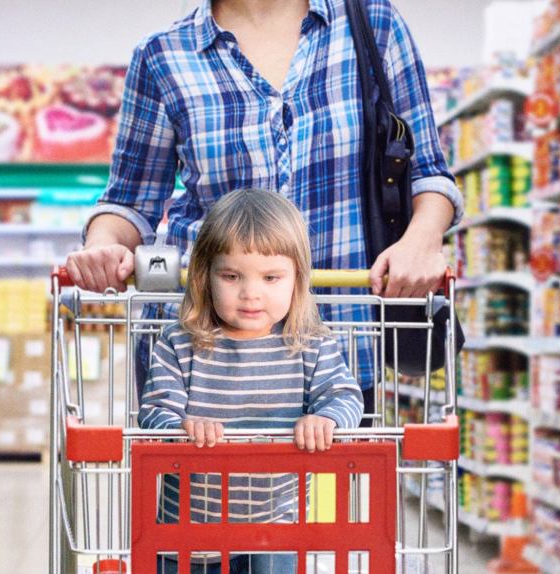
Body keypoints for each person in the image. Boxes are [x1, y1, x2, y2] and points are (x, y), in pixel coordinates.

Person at [68, 0, 462, 416]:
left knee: (329, 480)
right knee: (196, 483)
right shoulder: (164, 56)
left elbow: (429, 173)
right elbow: (129, 202)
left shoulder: (372, 25)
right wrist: (102, 245)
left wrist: (422, 240)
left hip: (337, 339)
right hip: (200, 353)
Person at [138, 189, 364, 574]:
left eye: (272, 277)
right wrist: (182, 426)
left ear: (297, 280)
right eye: (231, 276)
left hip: (278, 527)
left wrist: (326, 418)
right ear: (203, 276)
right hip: (193, 536)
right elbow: (155, 411)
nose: (251, 293)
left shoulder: (310, 343)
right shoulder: (180, 342)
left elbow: (344, 395)